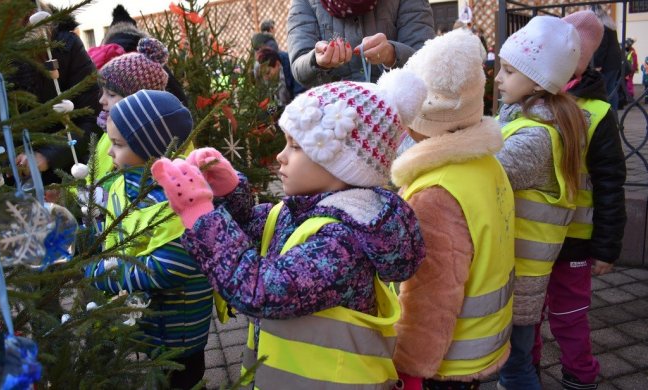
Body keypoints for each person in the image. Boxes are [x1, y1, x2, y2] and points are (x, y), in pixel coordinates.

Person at [151, 68, 429, 388]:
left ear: (339, 163)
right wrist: (228, 195)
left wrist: (200, 215)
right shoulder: (299, 210)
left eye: (295, 146)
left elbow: (260, 289)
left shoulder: (342, 244)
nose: (280, 157)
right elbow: (249, 232)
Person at [390, 29, 515, 390]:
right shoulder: (486, 164)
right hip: (485, 340)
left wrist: (409, 367)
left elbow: (430, 296)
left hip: (446, 362)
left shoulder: (435, 193)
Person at [83, 90, 211, 389]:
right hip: (148, 316)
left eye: (118, 144)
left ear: (151, 148)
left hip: (180, 325)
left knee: (182, 377)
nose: (110, 153)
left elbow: (173, 265)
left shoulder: (178, 198)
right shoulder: (126, 183)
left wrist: (104, 274)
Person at [530, 11, 626, 390]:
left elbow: (609, 183)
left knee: (569, 314)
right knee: (527, 312)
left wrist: (606, 248)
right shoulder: (529, 99)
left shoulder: (598, 112)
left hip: (575, 237)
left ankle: (580, 374)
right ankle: (525, 369)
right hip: (532, 235)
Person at [494, 16, 587, 390]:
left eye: (508, 71)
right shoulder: (538, 122)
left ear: (536, 81)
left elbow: (484, 176)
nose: (497, 78)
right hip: (522, 271)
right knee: (516, 361)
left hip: (517, 275)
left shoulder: (533, 138)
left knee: (515, 368)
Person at [0, 0, 102, 185]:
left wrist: (46, 156)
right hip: (1, 186)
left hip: (64, 179)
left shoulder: (62, 44)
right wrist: (4, 158)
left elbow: (92, 118)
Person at [286, 0, 435, 87]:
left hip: (400, 119)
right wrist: (316, 60)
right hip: (333, 123)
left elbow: (426, 59)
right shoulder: (305, 2)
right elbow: (299, 66)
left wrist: (392, 54)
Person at [91, 37, 170, 190]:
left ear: (137, 99)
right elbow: (91, 178)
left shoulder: (159, 138)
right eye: (103, 92)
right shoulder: (108, 132)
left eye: (111, 94)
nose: (102, 100)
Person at [88, 4, 188, 107]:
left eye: (112, 94)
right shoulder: (149, 61)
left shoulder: (102, 59)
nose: (102, 100)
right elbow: (179, 98)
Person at [592, 6, 622, 110]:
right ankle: (613, 113)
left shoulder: (602, 27)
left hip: (607, 64)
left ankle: (607, 112)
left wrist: (597, 64)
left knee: (605, 90)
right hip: (615, 62)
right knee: (612, 89)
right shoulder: (610, 26)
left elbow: (602, 47)